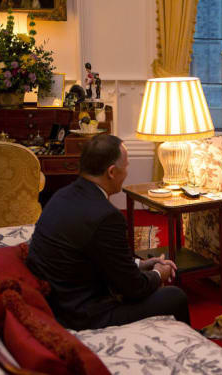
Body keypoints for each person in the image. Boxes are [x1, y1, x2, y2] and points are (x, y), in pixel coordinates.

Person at [26, 134, 190, 330]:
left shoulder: (61, 195)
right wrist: (157, 273)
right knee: (175, 296)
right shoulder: (107, 217)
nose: (127, 172)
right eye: (126, 166)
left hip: (57, 301)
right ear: (112, 172)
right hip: (82, 315)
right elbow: (133, 289)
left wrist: (140, 264)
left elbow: (93, 253)